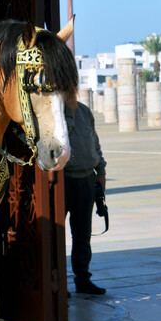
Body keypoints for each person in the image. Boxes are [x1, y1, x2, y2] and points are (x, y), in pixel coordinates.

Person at [63, 101, 107, 295]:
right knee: (54, 236)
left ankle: (83, 279)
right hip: (63, 179)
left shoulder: (84, 110)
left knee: (82, 234)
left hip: (87, 178)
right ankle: (56, 283)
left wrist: (101, 171)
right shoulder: (54, 110)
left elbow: (94, 142)